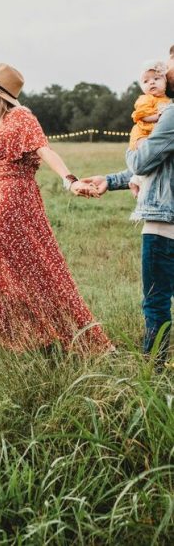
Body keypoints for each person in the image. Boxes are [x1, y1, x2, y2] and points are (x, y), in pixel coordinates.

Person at [0, 63, 114, 354]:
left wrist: (70, 181)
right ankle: (0, 337)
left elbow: (45, 149)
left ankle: (46, 334)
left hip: (14, 201)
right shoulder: (2, 124)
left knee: (36, 267)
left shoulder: (22, 117)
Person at [82, 48, 174, 369]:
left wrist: (133, 144)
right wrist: (112, 180)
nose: (166, 67)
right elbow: (161, 167)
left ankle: (154, 369)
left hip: (164, 224)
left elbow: (142, 160)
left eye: (170, 62)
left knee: (156, 302)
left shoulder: (171, 114)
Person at [128, 61, 170, 197]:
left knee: (154, 157)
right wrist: (158, 117)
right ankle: (135, 181)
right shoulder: (146, 99)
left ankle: (135, 181)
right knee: (145, 155)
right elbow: (142, 115)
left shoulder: (167, 100)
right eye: (146, 81)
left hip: (154, 134)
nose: (151, 83)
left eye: (156, 79)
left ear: (165, 82)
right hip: (142, 133)